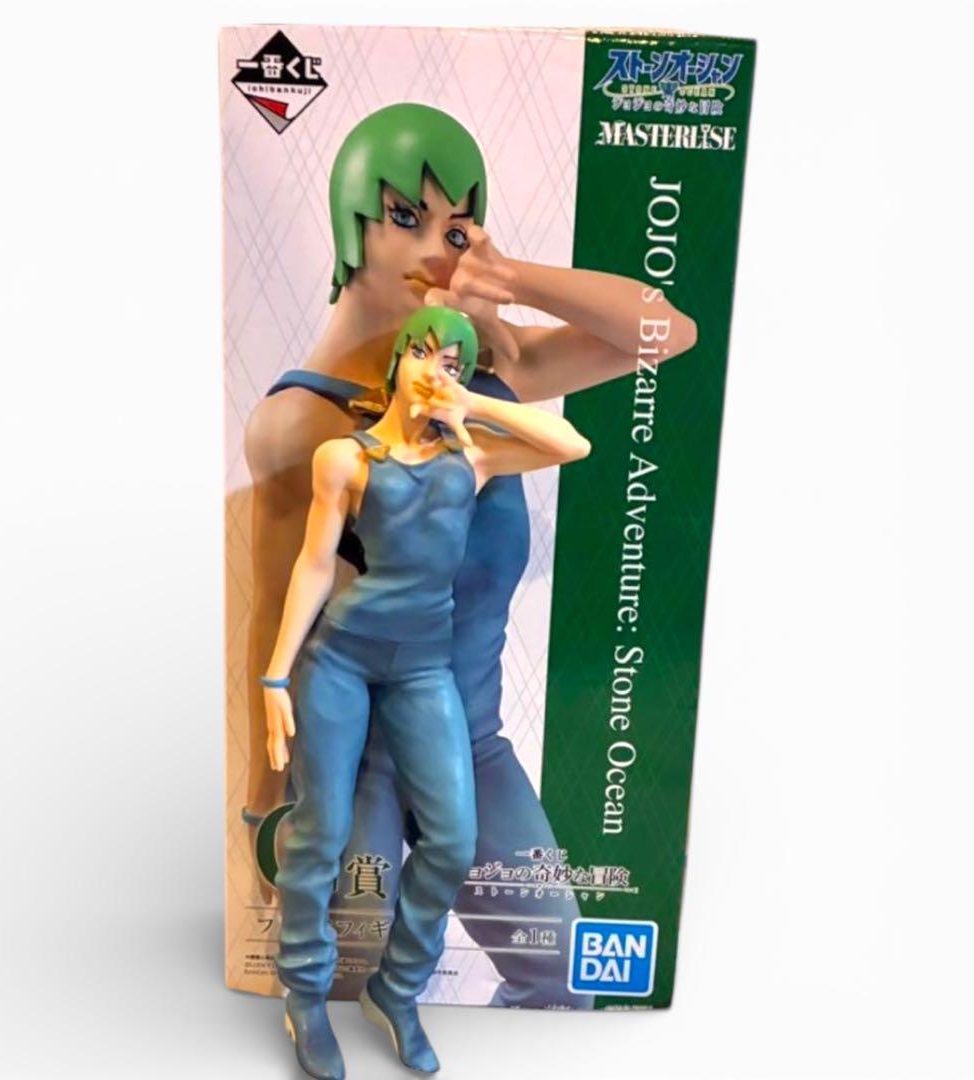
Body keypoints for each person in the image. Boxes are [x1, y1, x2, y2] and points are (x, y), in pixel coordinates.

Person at [243, 102, 697, 1008]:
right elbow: (276, 602)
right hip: (355, 757)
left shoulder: (491, 382)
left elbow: (667, 332)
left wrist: (507, 277)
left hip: (472, 745)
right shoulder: (304, 422)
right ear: (350, 223)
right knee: (344, 986)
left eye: (455, 226)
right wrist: (265, 806)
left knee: (562, 975)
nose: (435, 248)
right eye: (405, 216)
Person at [264, 307, 590, 1080]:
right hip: (342, 662)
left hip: (423, 672)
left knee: (451, 839)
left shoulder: (472, 460)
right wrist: (275, 676)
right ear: (396, 360)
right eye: (421, 352)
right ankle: (304, 998)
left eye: (451, 360)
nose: (433, 369)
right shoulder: (346, 457)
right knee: (320, 838)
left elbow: (571, 444)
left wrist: (468, 402)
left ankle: (398, 992)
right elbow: (315, 565)